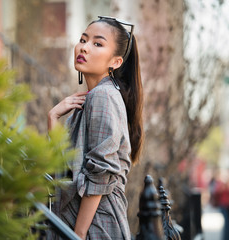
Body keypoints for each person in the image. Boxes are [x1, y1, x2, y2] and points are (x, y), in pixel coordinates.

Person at [47, 16, 144, 239]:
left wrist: (79, 234)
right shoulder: (95, 96)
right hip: (87, 221)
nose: (84, 48)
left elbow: (101, 173)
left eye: (97, 44)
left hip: (96, 225)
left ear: (116, 62)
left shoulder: (103, 96)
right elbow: (65, 165)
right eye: (83, 39)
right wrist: (53, 118)